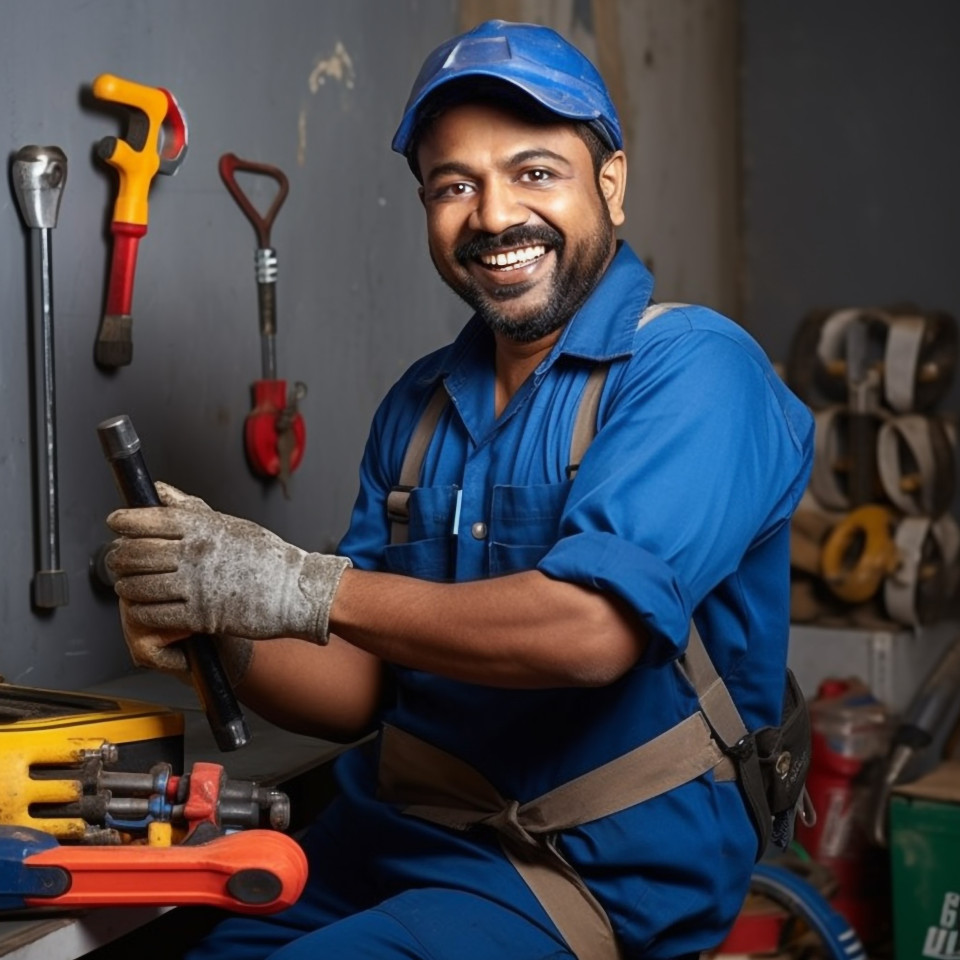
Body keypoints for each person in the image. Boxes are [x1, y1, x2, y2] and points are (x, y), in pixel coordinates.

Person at [106, 19, 814, 960]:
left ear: (610, 184)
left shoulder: (694, 371)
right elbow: (357, 688)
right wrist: (218, 617)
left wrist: (302, 585)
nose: (492, 215)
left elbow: (590, 632)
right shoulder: (421, 408)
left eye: (534, 172)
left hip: (584, 873)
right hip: (395, 839)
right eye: (454, 186)